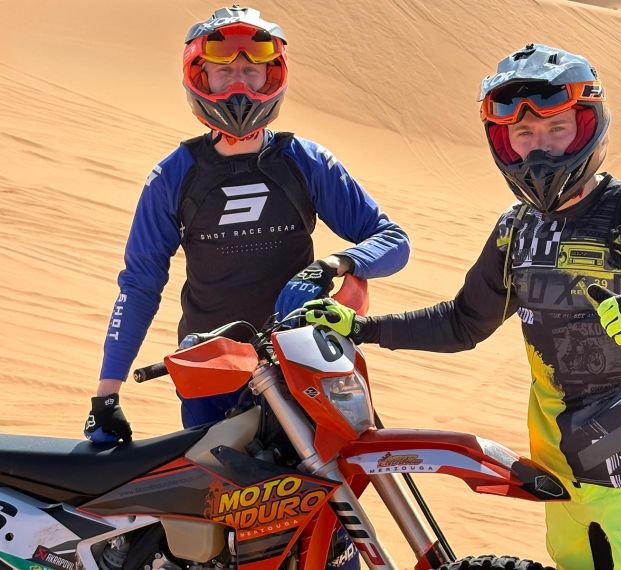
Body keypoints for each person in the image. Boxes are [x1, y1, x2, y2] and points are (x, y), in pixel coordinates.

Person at [302, 44, 621, 569]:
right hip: (561, 476)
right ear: (503, 142)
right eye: (523, 134)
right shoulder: (517, 229)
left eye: (555, 129)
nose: (538, 149)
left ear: (587, 127)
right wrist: (364, 328)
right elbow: (463, 322)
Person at [83, 6, 409, 441]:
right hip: (212, 369)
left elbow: (393, 241)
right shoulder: (173, 176)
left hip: (302, 365)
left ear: (272, 77)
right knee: (218, 485)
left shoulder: (305, 162)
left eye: (251, 72)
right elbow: (140, 285)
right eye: (225, 72)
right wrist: (106, 396)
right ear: (201, 78)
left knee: (333, 478)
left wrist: (333, 265)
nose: (239, 85)